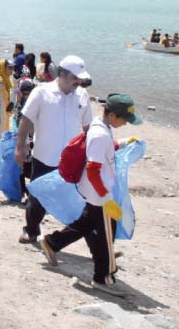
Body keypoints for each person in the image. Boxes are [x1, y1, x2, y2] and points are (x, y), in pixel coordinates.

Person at [40, 94, 142, 297]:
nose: (125, 124)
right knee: (105, 236)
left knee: (88, 225)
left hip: (95, 192)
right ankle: (102, 277)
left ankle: (53, 242)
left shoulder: (101, 127)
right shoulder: (100, 134)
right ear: (112, 115)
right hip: (99, 195)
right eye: (124, 120)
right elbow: (94, 168)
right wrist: (106, 198)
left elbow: (103, 152)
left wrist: (121, 143)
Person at [15, 55, 93, 243]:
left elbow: (88, 127)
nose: (79, 81)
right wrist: (20, 147)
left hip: (73, 160)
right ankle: (31, 230)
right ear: (62, 75)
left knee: (80, 200)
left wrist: (94, 152)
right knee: (38, 198)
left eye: (80, 78)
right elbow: (25, 121)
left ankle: (90, 243)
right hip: (45, 156)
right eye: (75, 77)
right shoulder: (41, 92)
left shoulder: (82, 95)